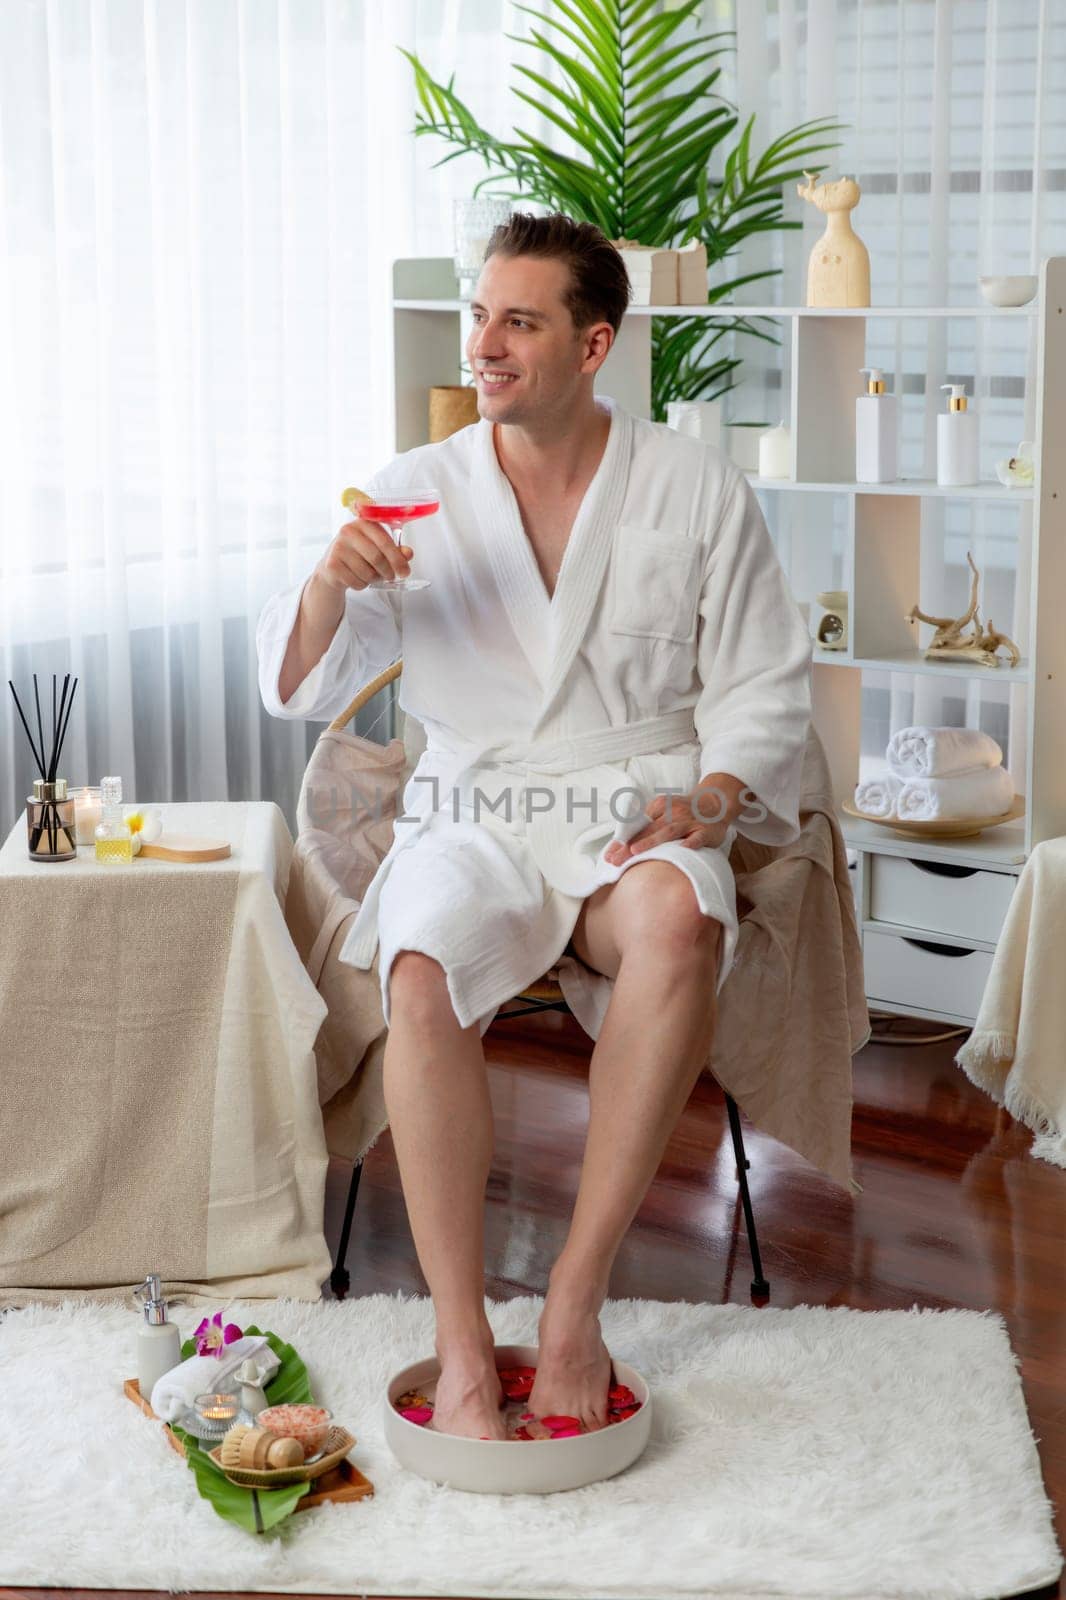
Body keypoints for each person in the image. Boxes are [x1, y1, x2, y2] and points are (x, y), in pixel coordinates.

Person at [257, 211, 812, 1442]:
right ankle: (460, 1336)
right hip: (475, 806)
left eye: (519, 320)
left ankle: (571, 1300)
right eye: (478, 316)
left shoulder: (693, 487)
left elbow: (765, 685)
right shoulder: (413, 491)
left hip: (631, 799)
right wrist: (324, 585)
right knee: (418, 961)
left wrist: (711, 805)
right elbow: (298, 683)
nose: (486, 344)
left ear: (593, 342)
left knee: (677, 913)